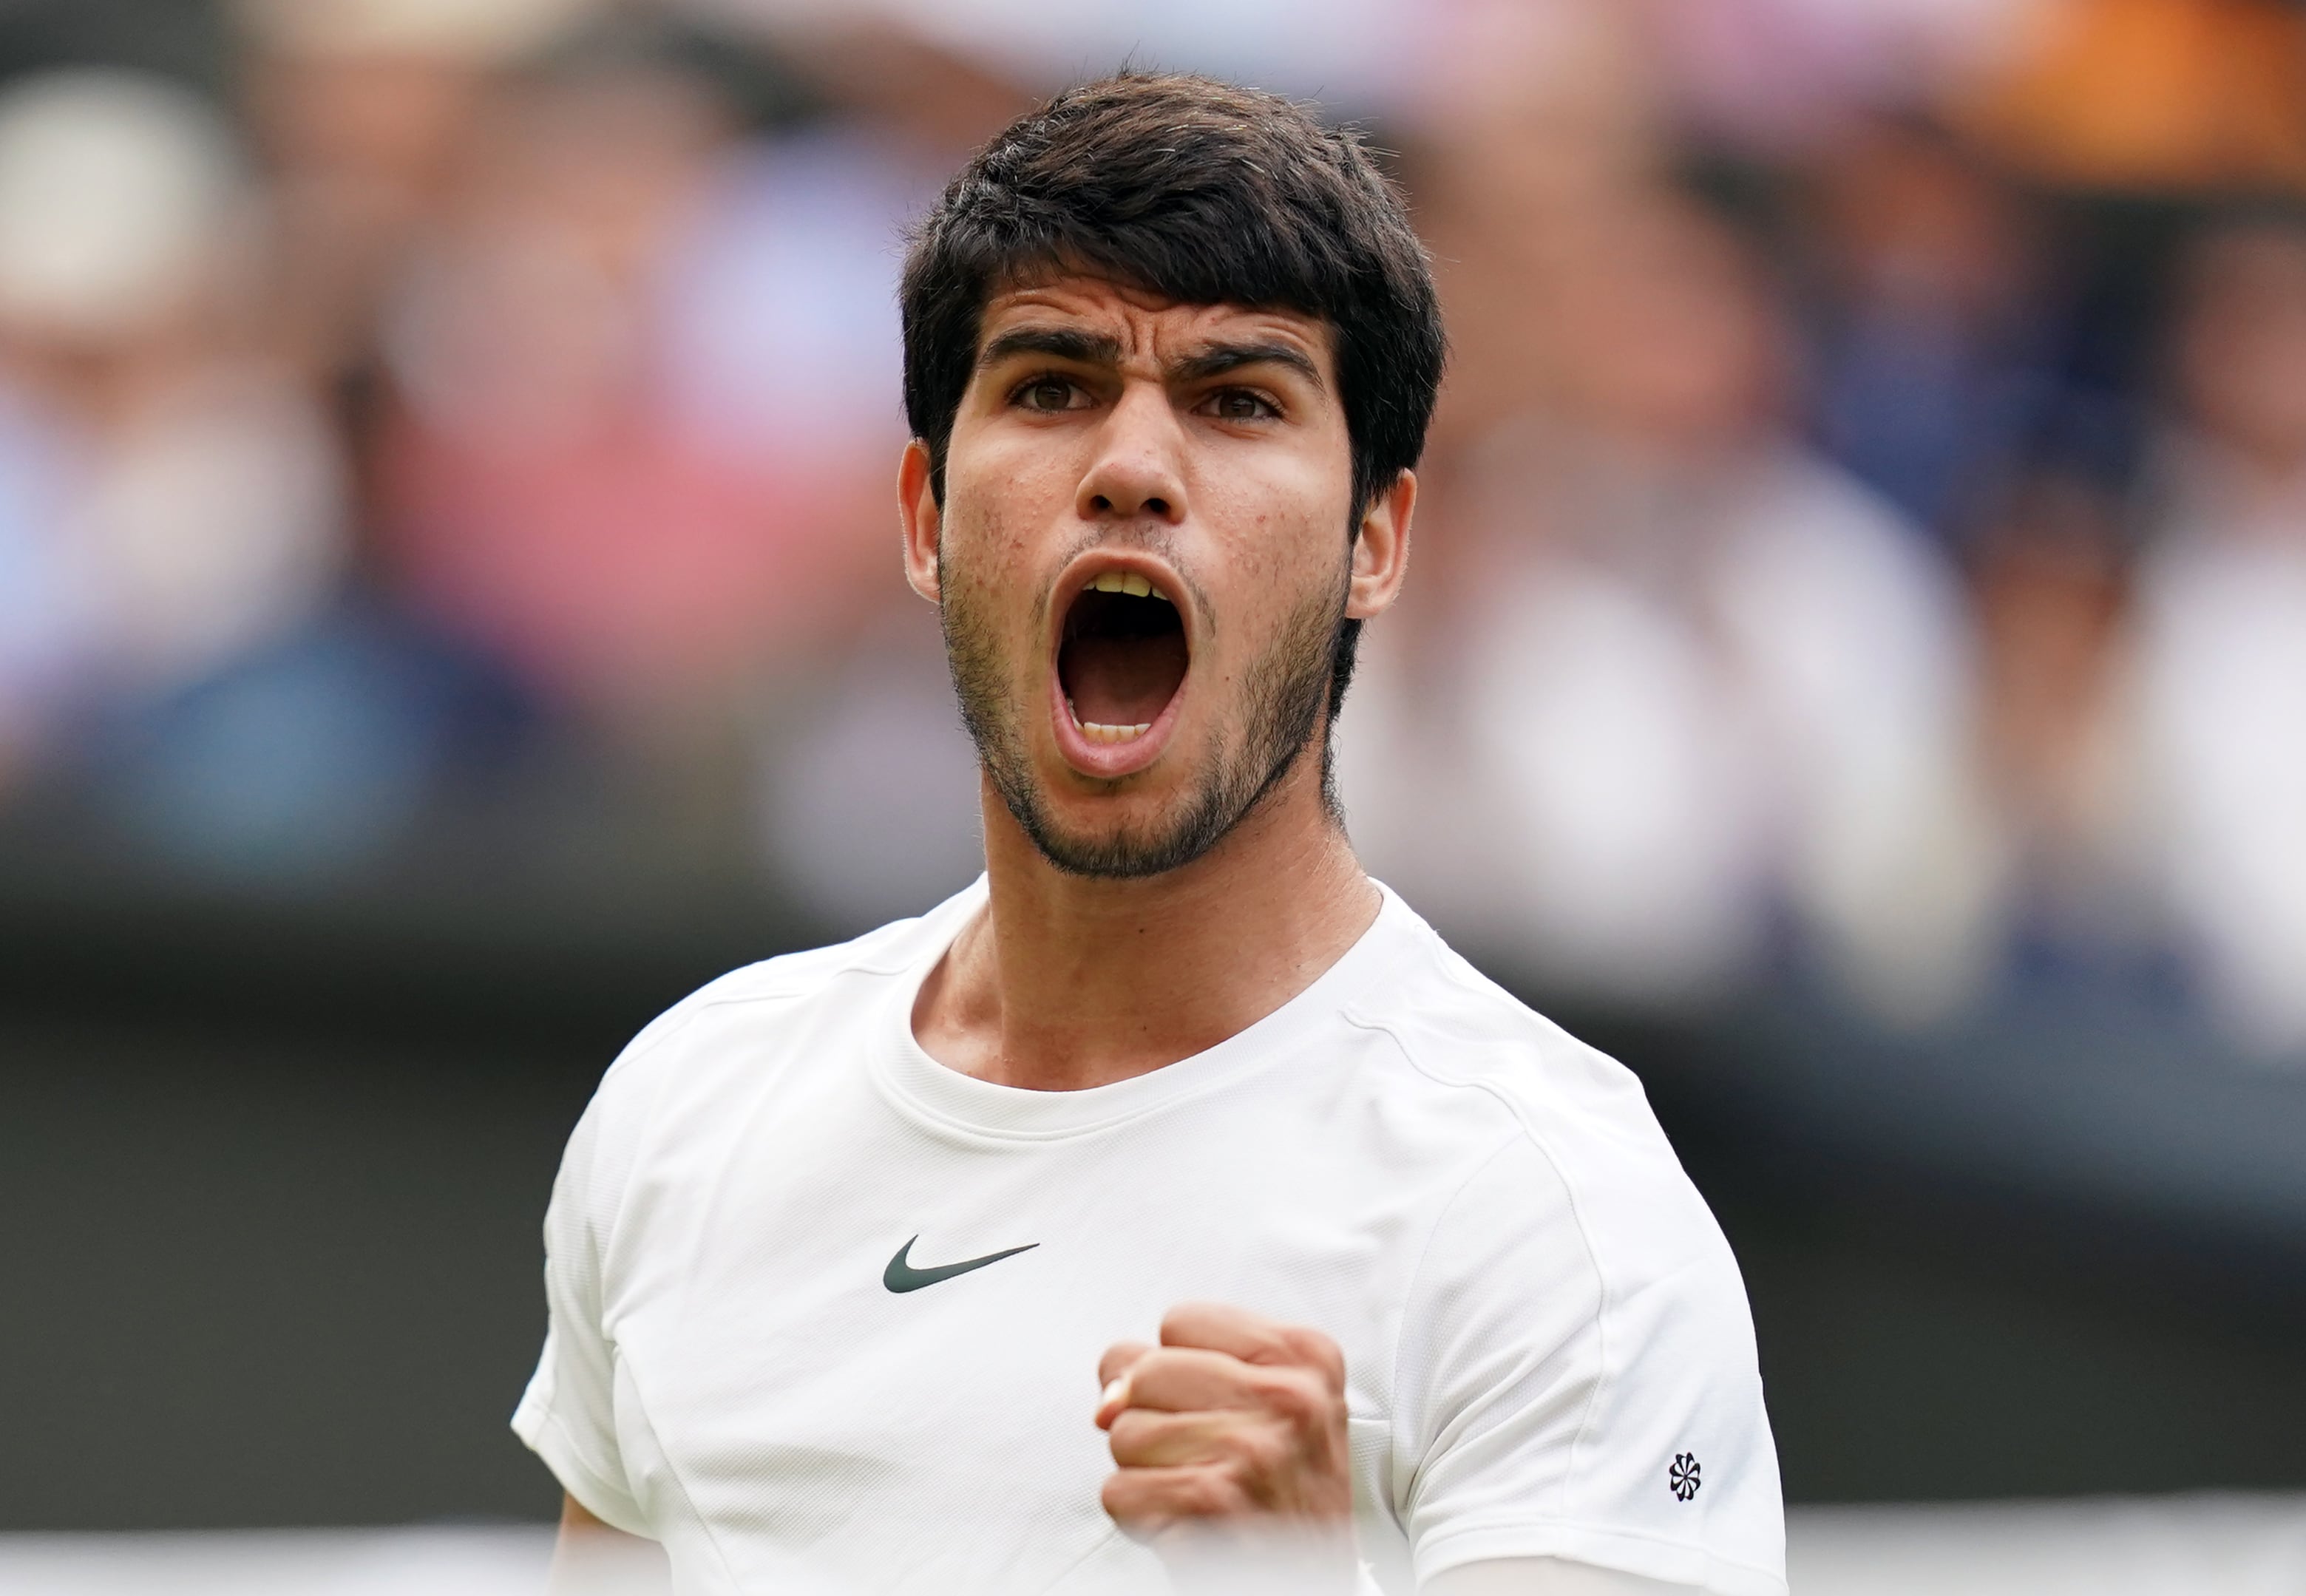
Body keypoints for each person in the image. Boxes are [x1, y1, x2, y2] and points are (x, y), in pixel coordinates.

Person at [514, 72, 1785, 1595]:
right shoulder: (689, 1111)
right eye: (1051, 387)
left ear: (1373, 543)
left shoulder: (1562, 1222)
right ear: (924, 518)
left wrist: (1300, 1582)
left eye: (1238, 401)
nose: (1129, 468)